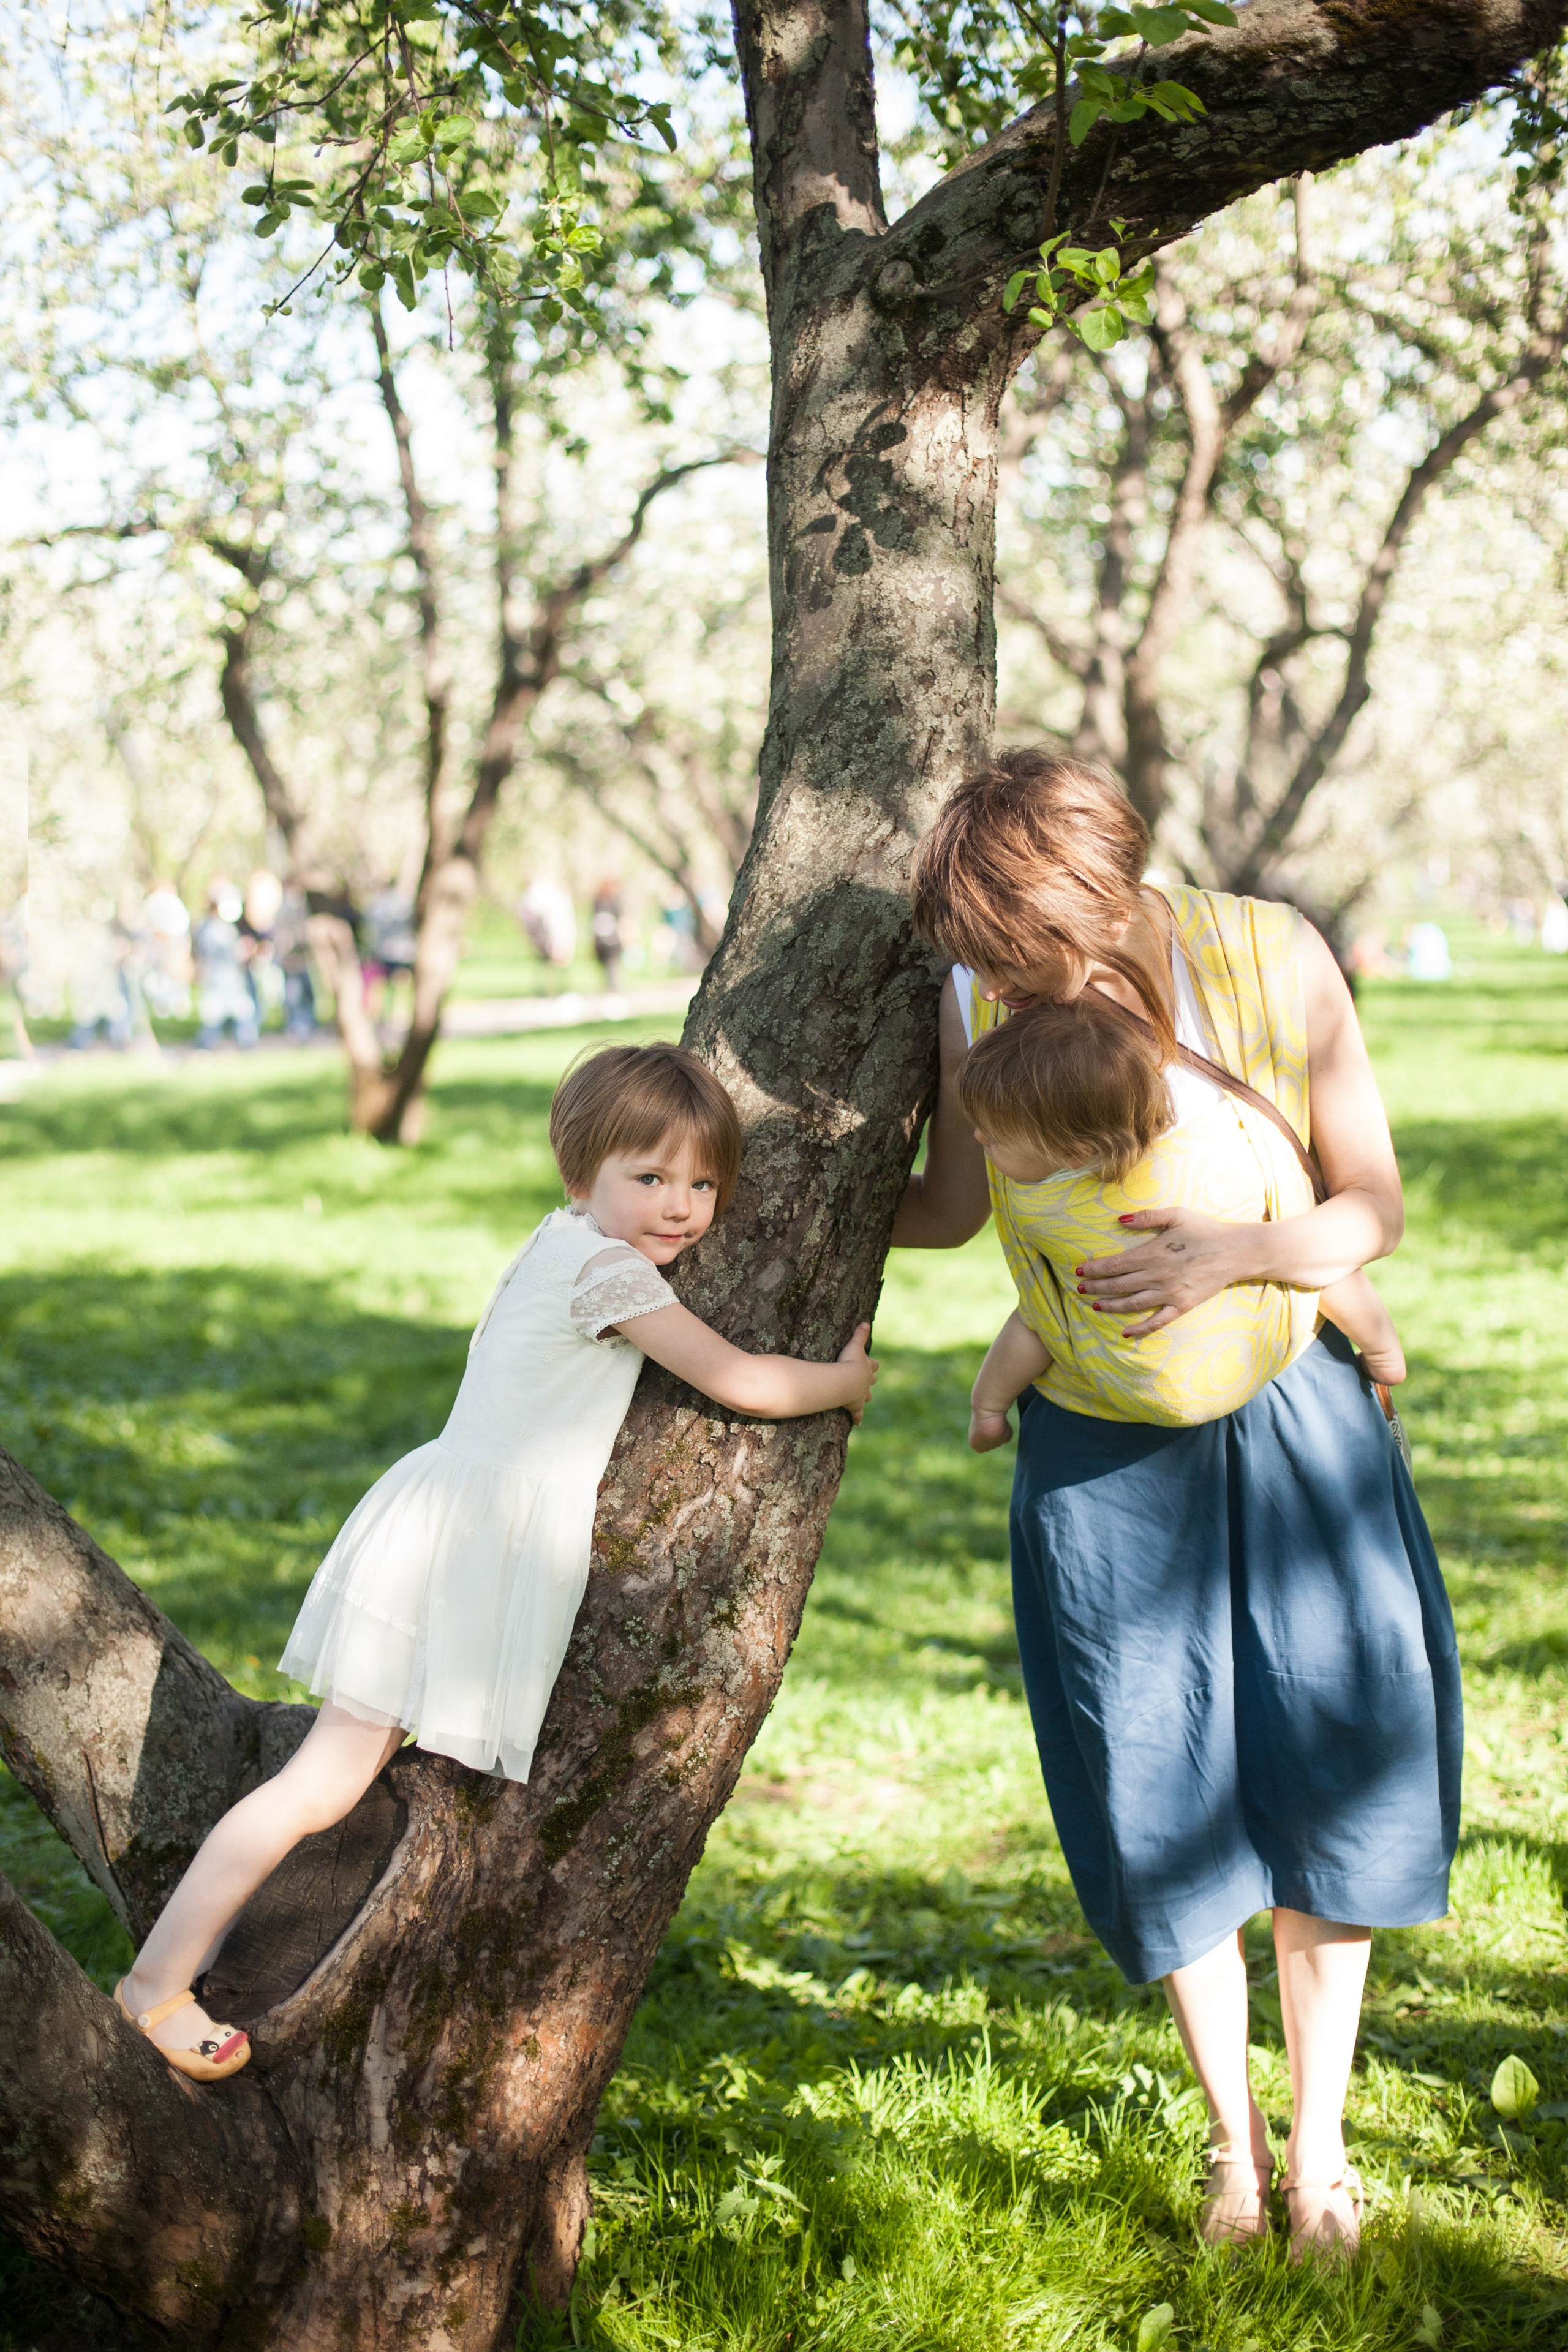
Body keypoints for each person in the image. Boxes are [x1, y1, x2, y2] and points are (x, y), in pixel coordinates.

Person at [895, 750, 1460, 2261]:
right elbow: (952, 1209)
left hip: (1289, 1420)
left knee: (1325, 1767)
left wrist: (1236, 1254)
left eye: (1024, 962)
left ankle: (1323, 2153)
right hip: (1098, 1448)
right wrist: (749, 1193)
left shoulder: (1267, 956)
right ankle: (1232, 2146)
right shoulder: (973, 998)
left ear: (1101, 898)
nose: (1004, 995)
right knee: (1154, 1788)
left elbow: (1369, 1208)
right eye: (985, 970)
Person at [114, 1042, 878, 2083]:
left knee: (341, 1778)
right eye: (649, 1178)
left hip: (457, 1522)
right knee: (322, 1782)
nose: (682, 1207)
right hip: (467, 1545)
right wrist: (843, 1384)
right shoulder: (606, 1270)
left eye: (704, 1184)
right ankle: (157, 1983)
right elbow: (735, 1377)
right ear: (582, 1177)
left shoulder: (566, 1240)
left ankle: (192, 1971)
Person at [960, 992, 1406, 1451]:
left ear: (1072, 1152)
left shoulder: (1040, 1210)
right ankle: (1383, 1348)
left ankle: (987, 1410)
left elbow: (1041, 1315)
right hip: (1265, 1357)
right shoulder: (1207, 1152)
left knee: (1040, 1319)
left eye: (993, 1139)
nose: (979, 1139)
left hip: (1126, 1401)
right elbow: (1309, 1247)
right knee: (1305, 1265)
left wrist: (989, 1407)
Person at [193, 880, 259, 1050]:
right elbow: (232, 954)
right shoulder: (215, 929)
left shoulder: (212, 926)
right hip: (221, 980)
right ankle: (204, 1048)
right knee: (218, 1018)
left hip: (225, 980)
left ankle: (246, 1045)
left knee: (240, 1014)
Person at [590, 878, 625, 991]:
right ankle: (612, 987)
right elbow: (619, 919)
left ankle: (609, 986)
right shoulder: (614, 901)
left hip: (600, 938)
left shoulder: (597, 901)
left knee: (607, 964)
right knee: (612, 963)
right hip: (612, 937)